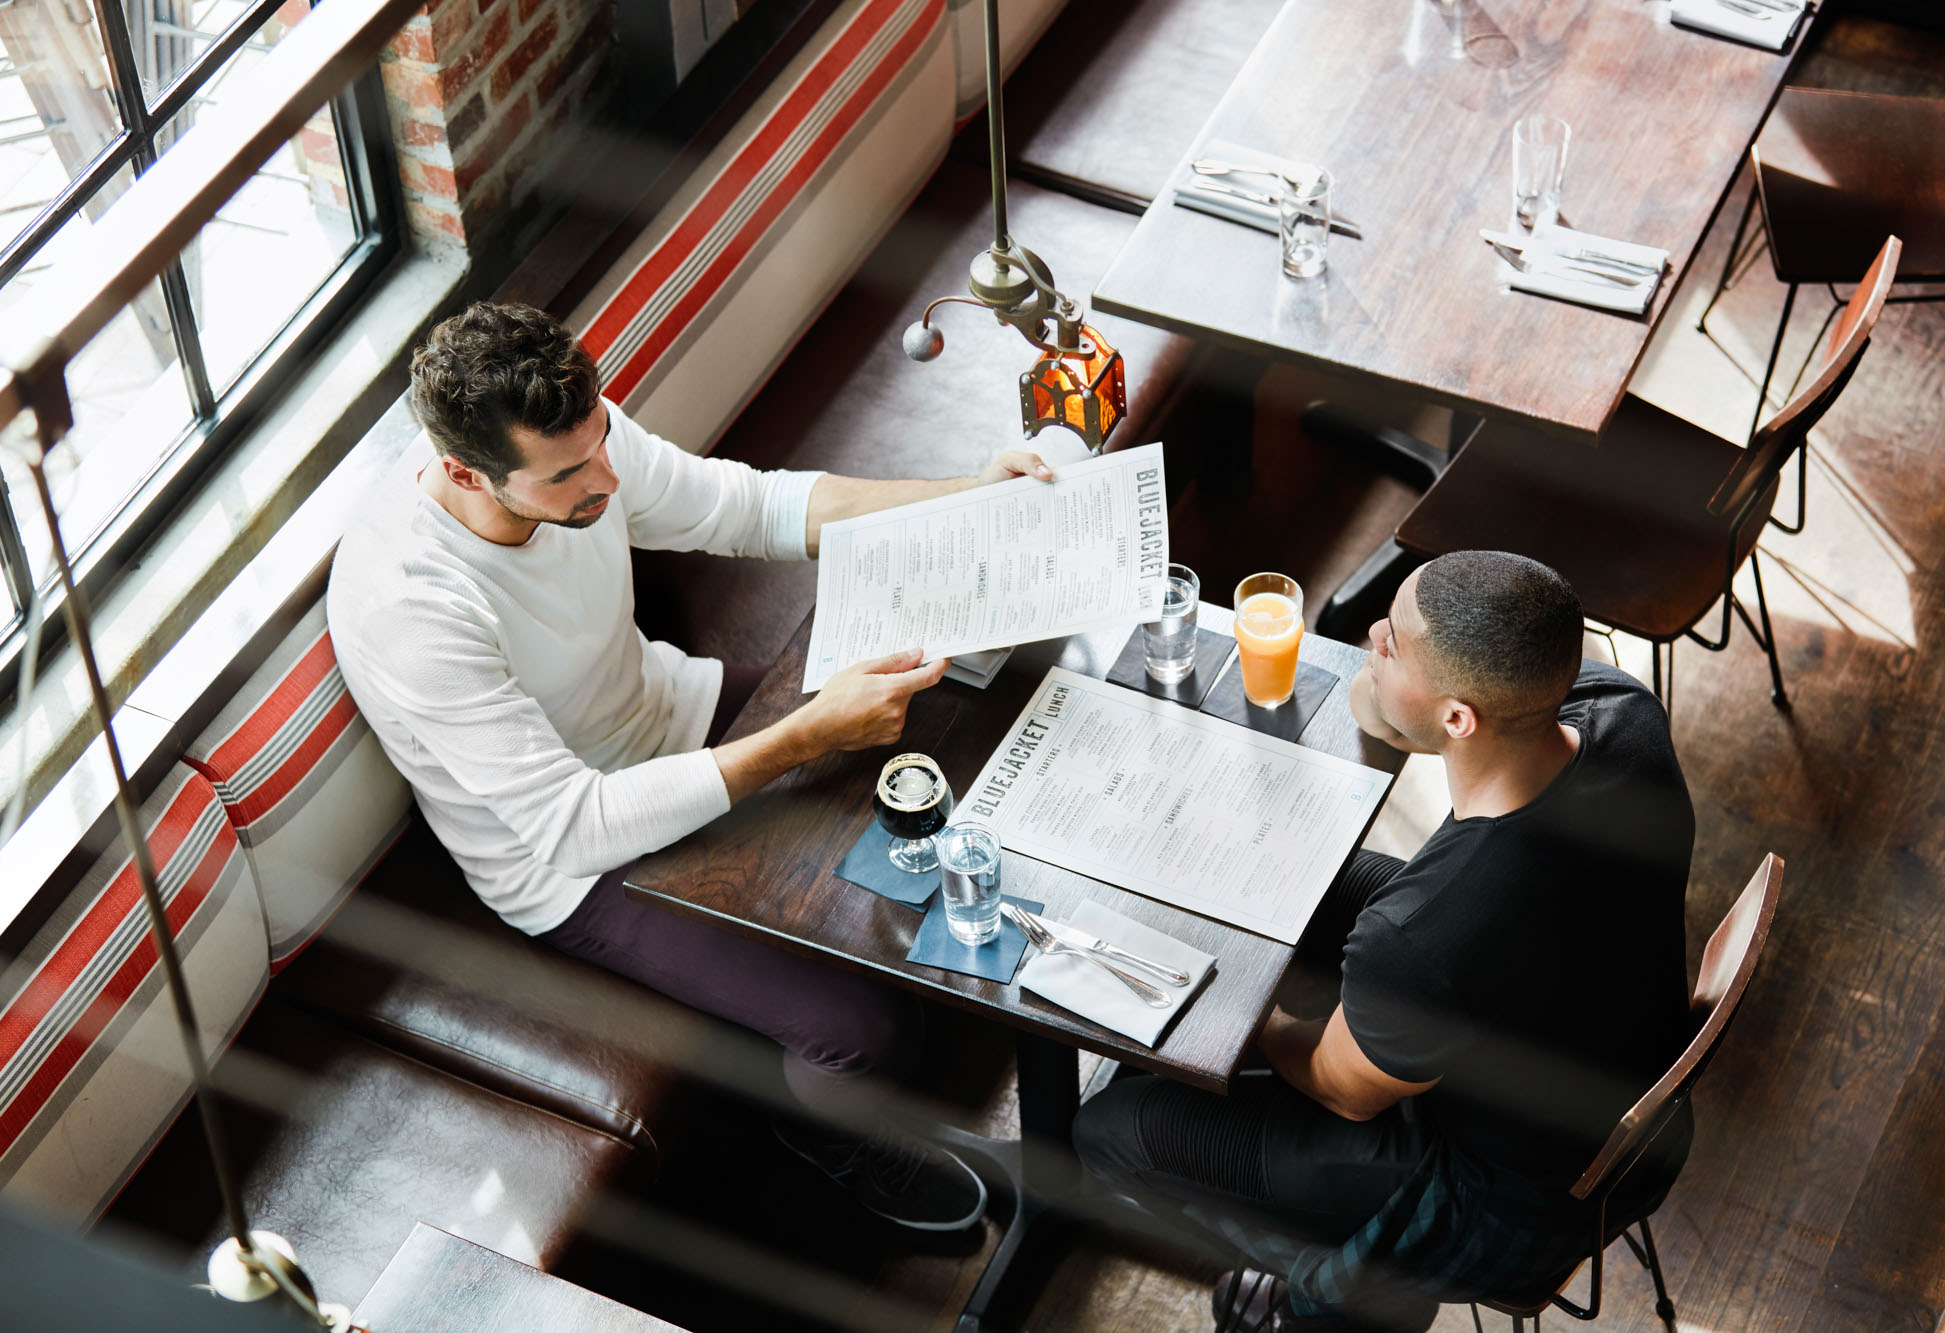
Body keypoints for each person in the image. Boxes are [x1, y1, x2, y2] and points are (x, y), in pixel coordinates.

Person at [329, 301, 1059, 1232]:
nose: (605, 475)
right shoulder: (412, 607)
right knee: (860, 1035)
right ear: (465, 472)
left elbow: (750, 506)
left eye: (602, 441)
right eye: (568, 473)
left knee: (943, 730)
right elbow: (575, 820)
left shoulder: (573, 437)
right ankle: (828, 1138)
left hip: (675, 713)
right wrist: (806, 732)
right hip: (574, 860)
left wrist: (962, 493)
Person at [1072, 552, 1698, 1330]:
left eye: (1392, 641)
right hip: (1608, 1058)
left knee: (1107, 1125)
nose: (1372, 633)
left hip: (1503, 1192)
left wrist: (1227, 999)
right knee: (1300, 873)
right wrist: (1392, 681)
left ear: (1459, 717)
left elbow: (1343, 1088)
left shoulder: (1423, 935)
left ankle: (1335, 1289)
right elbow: (1381, 714)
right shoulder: (1618, 707)